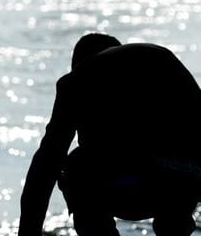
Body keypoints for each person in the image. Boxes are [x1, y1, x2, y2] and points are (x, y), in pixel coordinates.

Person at [18, 33, 201, 236]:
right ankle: (176, 225)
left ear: (77, 64)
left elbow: (44, 168)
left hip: (136, 181)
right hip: (182, 180)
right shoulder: (162, 58)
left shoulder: (76, 81)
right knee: (176, 183)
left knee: (75, 167)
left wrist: (28, 232)